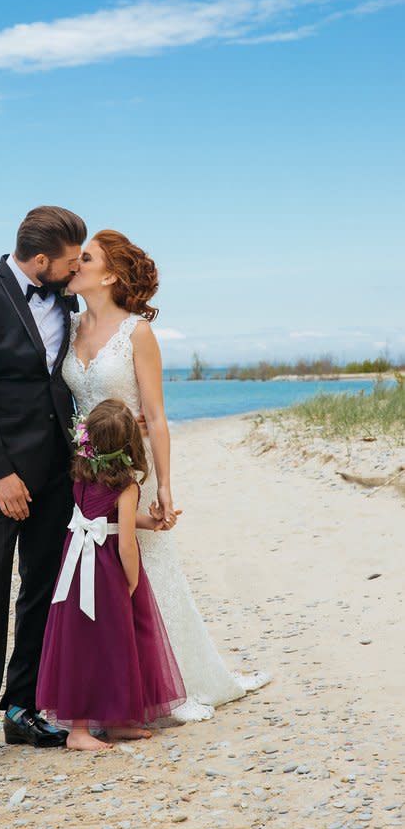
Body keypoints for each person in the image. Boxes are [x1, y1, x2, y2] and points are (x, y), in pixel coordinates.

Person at [61, 230, 271, 723]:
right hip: (88, 470)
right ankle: (121, 684)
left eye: (85, 257)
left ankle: (174, 684)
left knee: (148, 571)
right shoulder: (67, 328)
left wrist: (167, 487)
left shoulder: (137, 332)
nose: (74, 263)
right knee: (101, 571)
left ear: (110, 274)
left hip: (135, 470)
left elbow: (154, 415)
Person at [0, 205, 87, 775]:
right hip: (0, 473)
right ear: (41, 259)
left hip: (58, 470)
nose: (76, 271)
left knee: (41, 590)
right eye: (71, 261)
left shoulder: (65, 297)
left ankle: (21, 709)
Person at [36, 399, 186, 750]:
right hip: (103, 570)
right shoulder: (127, 486)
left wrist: (154, 522)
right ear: (131, 445)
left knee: (89, 643)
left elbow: (113, 521)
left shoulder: (82, 474)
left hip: (75, 569)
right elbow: (126, 544)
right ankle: (78, 732)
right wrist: (131, 579)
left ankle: (116, 722)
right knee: (110, 643)